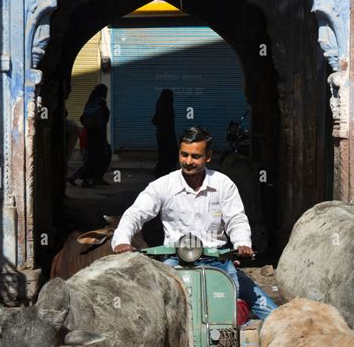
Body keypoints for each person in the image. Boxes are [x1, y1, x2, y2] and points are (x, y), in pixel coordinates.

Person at [112, 126, 278, 321]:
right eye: (184, 155)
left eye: (195, 156)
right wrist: (122, 241)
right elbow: (135, 214)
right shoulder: (162, 186)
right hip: (175, 261)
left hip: (218, 262)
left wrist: (243, 244)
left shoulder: (224, 184)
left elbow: (236, 219)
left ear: (208, 156)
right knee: (150, 312)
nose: (188, 162)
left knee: (268, 310)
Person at [67, 84, 110, 187]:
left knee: (92, 158)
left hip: (90, 136)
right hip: (99, 136)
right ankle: (90, 180)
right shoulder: (101, 102)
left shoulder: (90, 102)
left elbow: (82, 118)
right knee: (98, 158)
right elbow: (106, 117)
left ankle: (91, 179)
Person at [152, 89, 178, 178]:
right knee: (169, 152)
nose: (172, 98)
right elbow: (164, 120)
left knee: (164, 153)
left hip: (162, 133)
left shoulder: (161, 104)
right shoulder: (165, 106)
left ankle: (162, 170)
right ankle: (164, 170)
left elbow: (155, 120)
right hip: (166, 133)